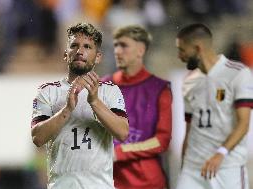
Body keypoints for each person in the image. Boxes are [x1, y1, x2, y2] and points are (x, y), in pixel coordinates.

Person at [31, 22, 129, 189]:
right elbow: (37, 138)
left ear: (98, 56)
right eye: (74, 45)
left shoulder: (110, 91)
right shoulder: (47, 92)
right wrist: (67, 109)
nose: (80, 51)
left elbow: (122, 133)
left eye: (87, 46)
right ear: (65, 54)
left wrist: (95, 102)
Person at [175, 23, 253, 189]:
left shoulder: (238, 74)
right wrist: (184, 166)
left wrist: (220, 154)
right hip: (193, 168)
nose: (179, 56)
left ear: (197, 48)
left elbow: (243, 124)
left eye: (182, 50)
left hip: (226, 166)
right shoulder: (189, 81)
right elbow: (190, 129)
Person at [102, 25, 172, 189]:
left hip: (147, 182)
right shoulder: (103, 86)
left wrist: (121, 152)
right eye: (116, 45)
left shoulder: (159, 89)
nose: (117, 51)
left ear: (140, 50)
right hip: (110, 181)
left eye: (124, 45)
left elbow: (162, 140)